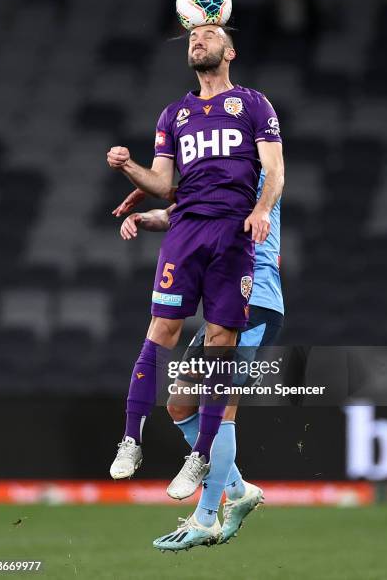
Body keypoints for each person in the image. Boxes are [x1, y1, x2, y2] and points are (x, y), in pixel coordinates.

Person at [106, 25, 284, 532]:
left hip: (246, 261)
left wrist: (263, 209)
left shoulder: (252, 110)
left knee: (218, 379)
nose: (196, 41)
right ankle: (231, 488)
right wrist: (133, 179)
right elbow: (172, 193)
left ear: (231, 51)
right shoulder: (176, 116)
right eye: (192, 36)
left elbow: (275, 173)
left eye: (209, 35)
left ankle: (207, 515)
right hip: (194, 238)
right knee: (178, 385)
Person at [114, 170, 284, 550]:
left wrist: (144, 183)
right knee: (179, 403)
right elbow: (183, 212)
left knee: (218, 405)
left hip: (253, 301)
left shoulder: (254, 174)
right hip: (226, 299)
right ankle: (239, 491)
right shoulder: (222, 173)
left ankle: (206, 518)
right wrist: (145, 218)